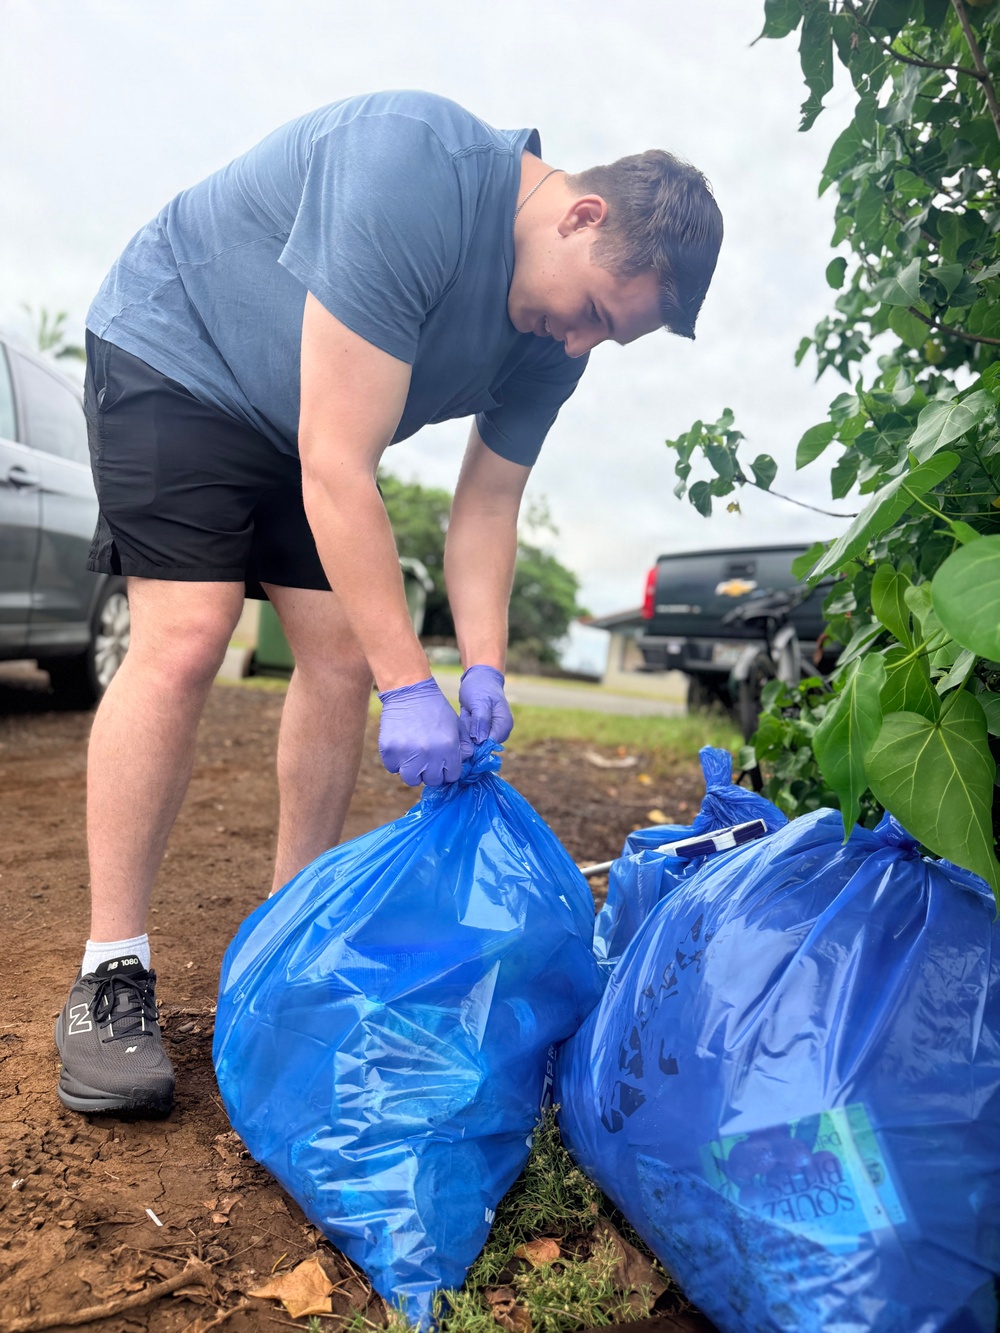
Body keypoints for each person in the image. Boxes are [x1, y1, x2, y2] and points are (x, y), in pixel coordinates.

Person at [53, 90, 723, 1117]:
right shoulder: (409, 167)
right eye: (594, 312)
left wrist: (484, 664)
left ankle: (284, 944)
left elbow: (488, 502)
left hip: (307, 421)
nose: (583, 344)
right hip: (181, 353)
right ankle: (112, 971)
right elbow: (337, 465)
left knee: (335, 655)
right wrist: (413, 684)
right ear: (580, 216)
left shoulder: (553, 343)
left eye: (610, 339)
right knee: (188, 635)